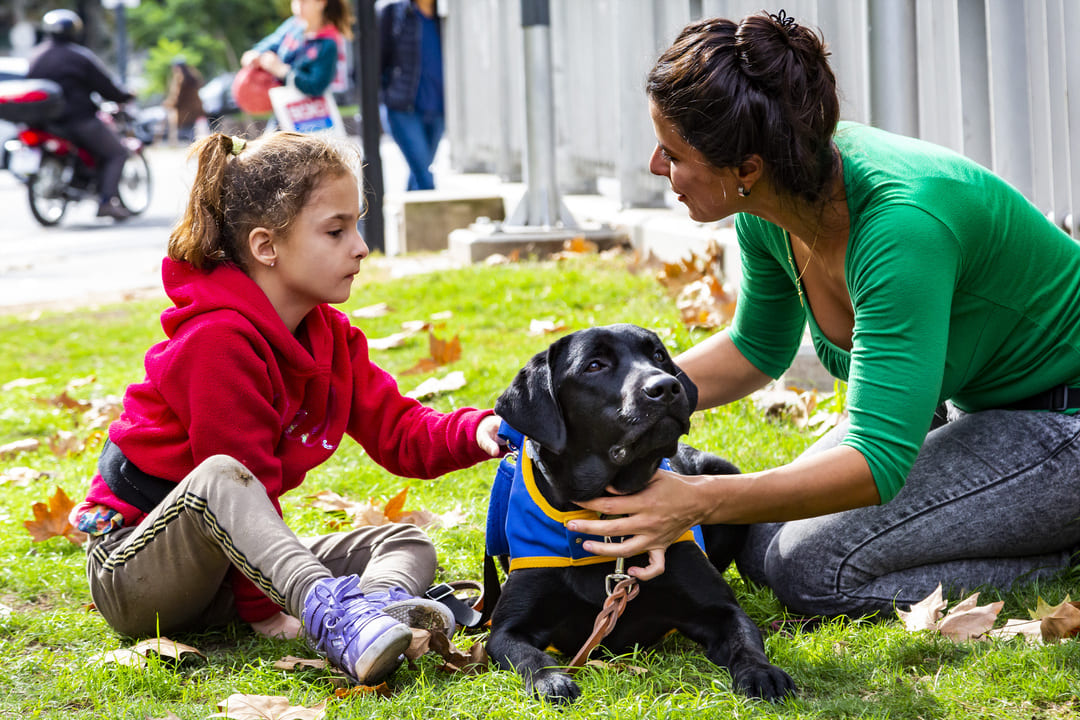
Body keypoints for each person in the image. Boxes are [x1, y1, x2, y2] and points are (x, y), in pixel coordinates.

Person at [567, 10, 1080, 620]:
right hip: (972, 409)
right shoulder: (774, 196)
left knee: (810, 573)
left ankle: (1062, 553)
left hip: (1060, 424)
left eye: (673, 153)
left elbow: (874, 459)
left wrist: (698, 499)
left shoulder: (901, 228)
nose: (657, 167)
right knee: (760, 544)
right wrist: (608, 405)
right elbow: (756, 349)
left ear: (745, 169)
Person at [67, 131, 504, 685]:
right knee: (225, 474)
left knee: (403, 540)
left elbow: (399, 430)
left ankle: (372, 611)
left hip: (225, 575)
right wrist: (266, 612)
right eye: (336, 230)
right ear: (266, 246)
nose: (361, 247)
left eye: (357, 225)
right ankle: (334, 616)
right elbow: (239, 482)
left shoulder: (330, 337)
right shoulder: (216, 342)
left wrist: (481, 429)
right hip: (138, 574)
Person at [27, 8, 135, 220]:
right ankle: (106, 202)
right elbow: (106, 87)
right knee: (117, 152)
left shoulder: (35, 57)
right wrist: (125, 96)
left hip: (44, 123)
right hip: (79, 120)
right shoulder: (79, 56)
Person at [377, 0, 444, 191]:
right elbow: (377, 60)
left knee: (418, 171)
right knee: (424, 176)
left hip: (439, 108)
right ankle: (433, 218)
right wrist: (382, 99)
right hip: (402, 107)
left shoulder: (445, 14)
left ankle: (406, 218)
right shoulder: (392, 12)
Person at [241, 0, 351, 101]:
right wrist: (254, 55)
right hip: (282, 106)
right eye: (295, 1)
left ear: (320, 3)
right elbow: (271, 43)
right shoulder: (293, 26)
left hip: (310, 113)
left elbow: (316, 86)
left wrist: (281, 70)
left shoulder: (328, 42)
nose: (298, 6)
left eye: (304, 2)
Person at [162, 56, 205, 145]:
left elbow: (177, 96)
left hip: (184, 111)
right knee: (192, 130)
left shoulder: (180, 78)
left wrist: (169, 103)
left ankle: (191, 148)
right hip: (194, 109)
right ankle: (193, 147)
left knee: (186, 132)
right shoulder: (193, 75)